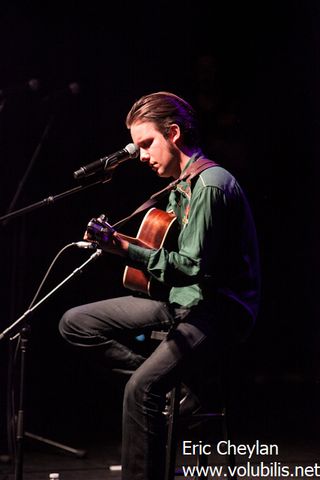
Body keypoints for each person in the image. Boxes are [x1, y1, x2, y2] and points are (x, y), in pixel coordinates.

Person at [59, 91, 260, 480]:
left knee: (139, 390)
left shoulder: (212, 185)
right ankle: (176, 389)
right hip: (180, 302)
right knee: (75, 323)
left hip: (218, 311)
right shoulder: (177, 186)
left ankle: (156, 394)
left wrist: (123, 248)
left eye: (148, 144)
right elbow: (171, 255)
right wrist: (123, 246)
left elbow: (192, 267)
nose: (144, 156)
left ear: (174, 133)